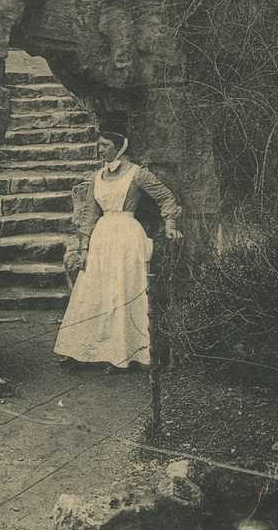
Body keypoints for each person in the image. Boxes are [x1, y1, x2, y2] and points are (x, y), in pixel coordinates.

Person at [54, 129, 182, 371]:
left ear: (119, 147)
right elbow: (90, 214)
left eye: (104, 145)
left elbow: (167, 198)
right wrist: (84, 247)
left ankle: (123, 353)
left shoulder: (137, 174)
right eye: (99, 145)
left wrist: (170, 224)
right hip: (102, 237)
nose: (99, 150)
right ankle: (87, 351)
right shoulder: (96, 177)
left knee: (122, 291)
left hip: (127, 237)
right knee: (93, 290)